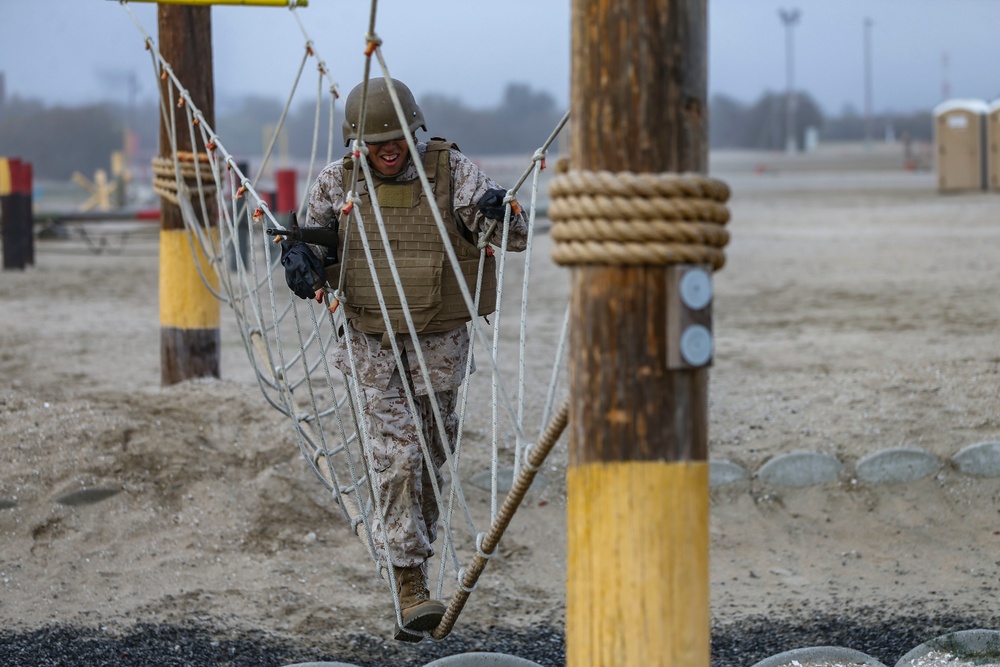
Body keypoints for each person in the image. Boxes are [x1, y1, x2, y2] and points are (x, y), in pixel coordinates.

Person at [280, 77, 528, 641]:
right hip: (371, 343)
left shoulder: (453, 171)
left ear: (414, 129)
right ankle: (409, 576)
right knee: (396, 458)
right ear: (355, 142)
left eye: (396, 138)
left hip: (437, 343)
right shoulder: (336, 182)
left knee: (431, 454)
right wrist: (300, 265)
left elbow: (514, 237)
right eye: (374, 141)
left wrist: (497, 213)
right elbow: (311, 251)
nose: (388, 149)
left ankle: (416, 541)